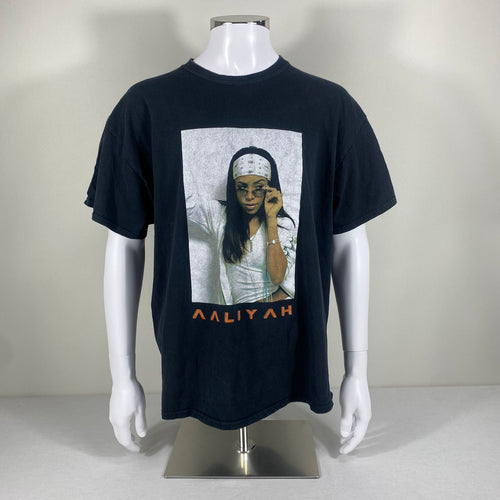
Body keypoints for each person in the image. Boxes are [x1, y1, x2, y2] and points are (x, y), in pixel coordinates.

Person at [185, 146, 297, 304]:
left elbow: (278, 277)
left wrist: (271, 219)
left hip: (273, 314)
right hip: (233, 314)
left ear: (270, 188)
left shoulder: (283, 225)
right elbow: (186, 202)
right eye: (242, 188)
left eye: (258, 188)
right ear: (234, 188)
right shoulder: (220, 215)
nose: (249, 196)